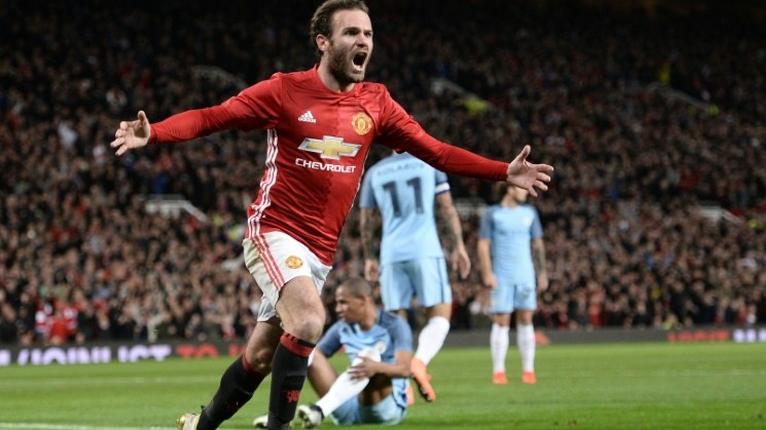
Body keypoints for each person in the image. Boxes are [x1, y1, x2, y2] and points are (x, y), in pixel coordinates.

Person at [110, 0, 553, 428]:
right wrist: (157, 133)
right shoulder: (284, 91)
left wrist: (502, 172)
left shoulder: (376, 104)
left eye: (368, 33)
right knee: (308, 320)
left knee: (261, 357)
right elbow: (214, 117)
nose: (364, 41)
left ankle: (199, 426)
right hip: (275, 229)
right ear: (323, 42)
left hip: (320, 251)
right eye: (352, 33)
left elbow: (436, 151)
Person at [358, 151, 471, 402]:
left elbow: (367, 221)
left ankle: (401, 387)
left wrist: (369, 257)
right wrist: (459, 246)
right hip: (425, 250)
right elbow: (446, 207)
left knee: (396, 322)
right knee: (440, 316)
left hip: (391, 254)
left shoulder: (375, 172)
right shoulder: (429, 164)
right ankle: (419, 363)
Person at [254, 278, 413, 428]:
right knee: (306, 351)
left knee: (369, 355)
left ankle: (320, 409)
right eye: (337, 303)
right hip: (348, 406)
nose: (338, 309)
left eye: (343, 303)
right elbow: (310, 359)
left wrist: (376, 367)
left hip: (384, 408)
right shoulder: (342, 327)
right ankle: (279, 416)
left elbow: (405, 370)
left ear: (364, 300)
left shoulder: (395, 325)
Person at [477, 184, 548, 385]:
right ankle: (498, 371)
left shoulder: (530, 213)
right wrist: (487, 273)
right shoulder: (492, 213)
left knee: (526, 320)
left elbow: (538, 243)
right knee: (501, 322)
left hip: (525, 275)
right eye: (522, 188)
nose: (526, 191)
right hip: (502, 276)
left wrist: (542, 272)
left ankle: (529, 370)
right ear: (510, 189)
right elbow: (483, 245)